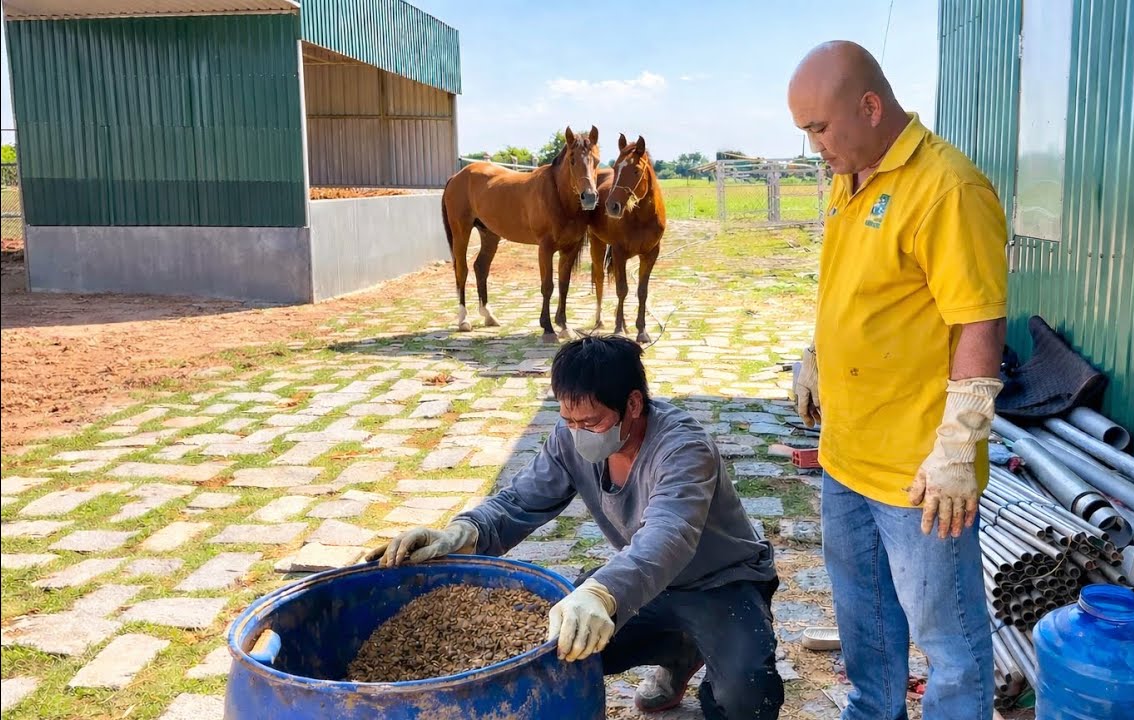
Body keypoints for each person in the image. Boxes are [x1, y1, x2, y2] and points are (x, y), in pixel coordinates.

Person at [369, 335, 784, 719]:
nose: (577, 432)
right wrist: (461, 534)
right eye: (568, 418)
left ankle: (709, 655)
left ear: (634, 405)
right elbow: (520, 499)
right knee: (559, 648)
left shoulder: (683, 449)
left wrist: (603, 593)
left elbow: (669, 536)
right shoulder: (571, 436)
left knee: (746, 695)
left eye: (591, 422)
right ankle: (680, 653)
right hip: (645, 585)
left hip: (720, 584)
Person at [787, 41, 1008, 719]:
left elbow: (980, 322)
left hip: (918, 475)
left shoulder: (947, 188)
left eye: (819, 129)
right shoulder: (846, 176)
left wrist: (956, 447)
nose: (813, 146)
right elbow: (859, 290)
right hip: (847, 454)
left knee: (951, 642)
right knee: (867, 629)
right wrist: (816, 353)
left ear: (871, 106)